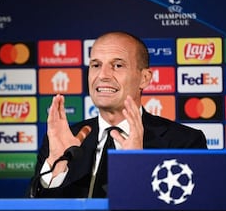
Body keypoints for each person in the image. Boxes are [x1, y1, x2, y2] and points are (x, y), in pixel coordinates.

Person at [28, 31, 207, 198]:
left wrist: (139, 168)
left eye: (117, 65)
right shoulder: (64, 141)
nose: (103, 75)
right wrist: (58, 167)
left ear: (144, 78)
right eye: (96, 65)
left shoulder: (184, 142)